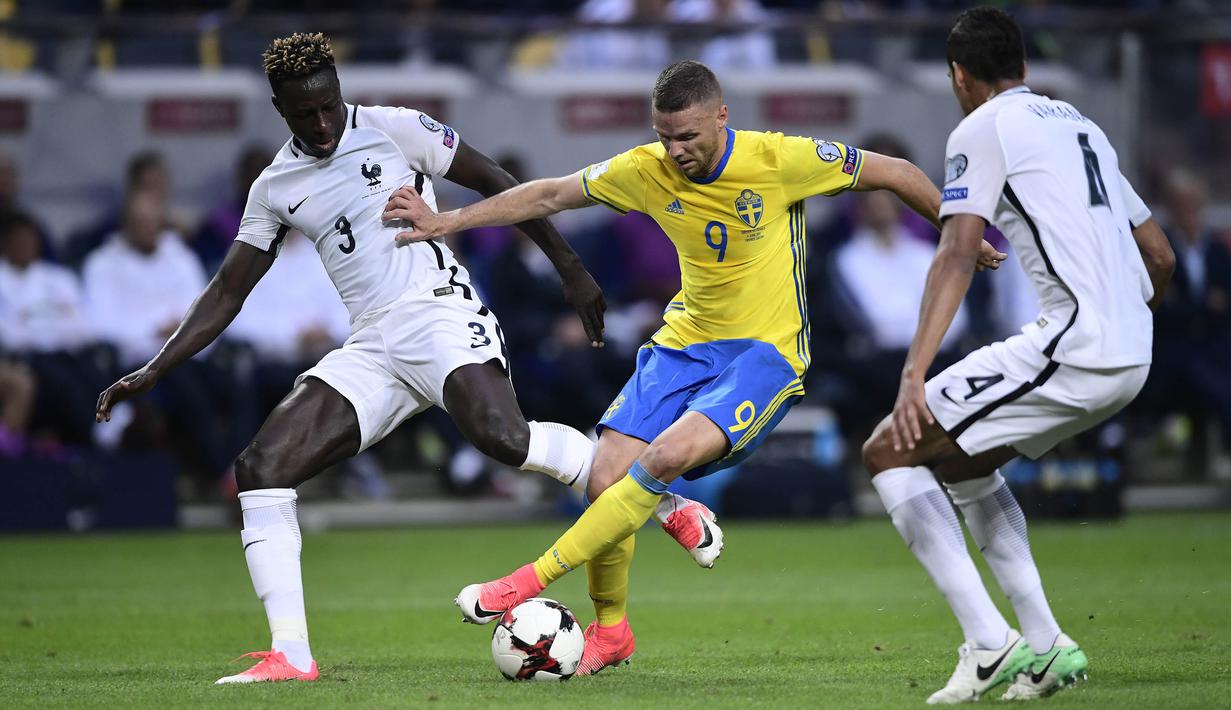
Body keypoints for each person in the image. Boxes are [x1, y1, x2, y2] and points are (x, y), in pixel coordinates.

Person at [92, 32, 717, 685]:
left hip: (438, 311)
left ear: (339, 91)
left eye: (330, 105)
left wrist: (569, 267)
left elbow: (497, 181)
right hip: (371, 343)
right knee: (261, 467)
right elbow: (228, 291)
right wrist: (155, 368)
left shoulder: (395, 130)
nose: (324, 122)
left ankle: (663, 500)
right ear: (281, 110)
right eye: (306, 113)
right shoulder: (276, 186)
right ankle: (291, 656)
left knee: (502, 438)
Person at [382, 59, 1006, 676]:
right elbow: (548, 193)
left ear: (721, 117)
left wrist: (962, 236)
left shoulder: (777, 159)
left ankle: (526, 580)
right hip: (684, 344)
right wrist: (447, 220)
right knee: (604, 476)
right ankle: (612, 630)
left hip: (765, 356)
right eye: (664, 136)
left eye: (688, 136)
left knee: (661, 459)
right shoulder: (646, 170)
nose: (675, 150)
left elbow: (894, 171)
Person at [858, 7, 1175, 704]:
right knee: (964, 465)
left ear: (957, 76)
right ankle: (1044, 646)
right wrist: (1120, 322)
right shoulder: (1082, 126)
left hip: (1075, 344)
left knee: (888, 450)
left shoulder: (980, 126)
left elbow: (956, 249)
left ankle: (987, 644)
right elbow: (1159, 255)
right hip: (1130, 350)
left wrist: (912, 374)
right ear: (1024, 69)